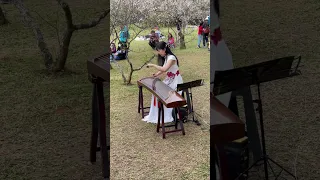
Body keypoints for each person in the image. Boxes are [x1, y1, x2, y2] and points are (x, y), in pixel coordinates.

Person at [142, 41, 183, 124]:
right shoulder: (167, 57)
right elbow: (164, 69)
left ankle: (166, 114)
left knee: (163, 93)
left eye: (159, 50)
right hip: (170, 79)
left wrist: (153, 65)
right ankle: (157, 113)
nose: (158, 52)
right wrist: (156, 74)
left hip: (175, 81)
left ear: (164, 49)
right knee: (156, 91)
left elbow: (164, 69)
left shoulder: (171, 58)